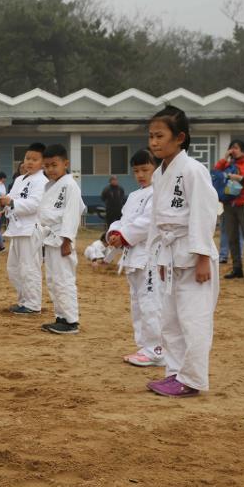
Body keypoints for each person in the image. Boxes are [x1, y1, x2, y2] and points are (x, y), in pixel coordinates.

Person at [145, 105, 219, 398]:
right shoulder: (160, 173)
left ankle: (192, 379)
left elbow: (204, 212)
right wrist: (159, 257)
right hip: (172, 254)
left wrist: (202, 257)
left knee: (194, 319)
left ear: (180, 138)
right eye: (150, 136)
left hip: (193, 254)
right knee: (171, 319)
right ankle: (174, 372)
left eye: (160, 136)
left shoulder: (193, 170)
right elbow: (156, 219)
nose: (153, 142)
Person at [107, 149, 164, 367]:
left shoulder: (159, 193)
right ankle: (145, 346)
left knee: (151, 303)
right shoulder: (133, 196)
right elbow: (123, 219)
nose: (140, 175)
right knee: (138, 303)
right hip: (133, 256)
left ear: (156, 169)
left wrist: (124, 236)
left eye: (145, 170)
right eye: (136, 171)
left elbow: (148, 222)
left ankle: (157, 349)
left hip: (150, 256)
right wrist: (114, 233)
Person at [37, 144, 85, 334]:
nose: (50, 170)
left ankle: (71, 321)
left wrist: (67, 240)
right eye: (46, 166)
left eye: (54, 165)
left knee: (64, 280)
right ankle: (61, 316)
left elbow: (73, 213)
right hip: (50, 237)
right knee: (53, 279)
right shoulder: (52, 185)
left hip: (61, 239)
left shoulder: (70, 184)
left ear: (65, 164)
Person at [1, 142, 48, 315]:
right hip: (16, 228)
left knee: (29, 268)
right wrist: (5, 202)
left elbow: (35, 204)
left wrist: (12, 202)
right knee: (13, 268)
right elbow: (11, 200)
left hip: (31, 229)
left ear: (43, 163)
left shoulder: (43, 181)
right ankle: (23, 300)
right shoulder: (20, 180)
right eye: (27, 158)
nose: (29, 162)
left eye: (34, 159)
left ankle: (33, 304)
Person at [214, 140, 244, 281]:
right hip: (229, 204)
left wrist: (240, 178)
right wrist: (225, 157)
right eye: (231, 148)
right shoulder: (229, 164)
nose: (233, 151)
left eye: (235, 148)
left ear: (243, 149)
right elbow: (216, 171)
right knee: (232, 238)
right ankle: (237, 269)